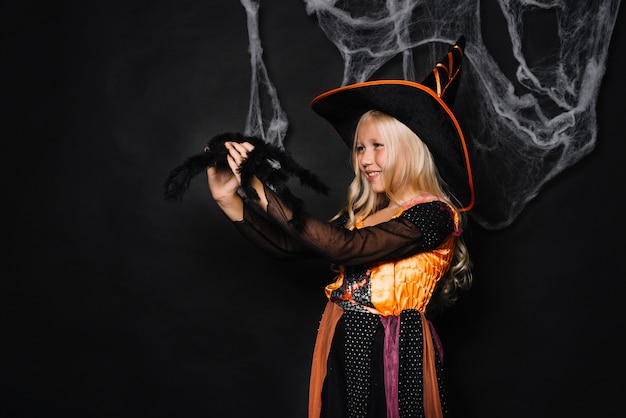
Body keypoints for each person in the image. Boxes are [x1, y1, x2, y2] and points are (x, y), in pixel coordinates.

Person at [205, 37, 474, 418]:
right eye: (360, 148)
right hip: (346, 344)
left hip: (394, 354)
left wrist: (257, 183)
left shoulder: (435, 215)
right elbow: (290, 246)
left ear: (409, 148)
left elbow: (343, 248)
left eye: (378, 145)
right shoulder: (369, 213)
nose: (365, 159)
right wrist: (229, 199)